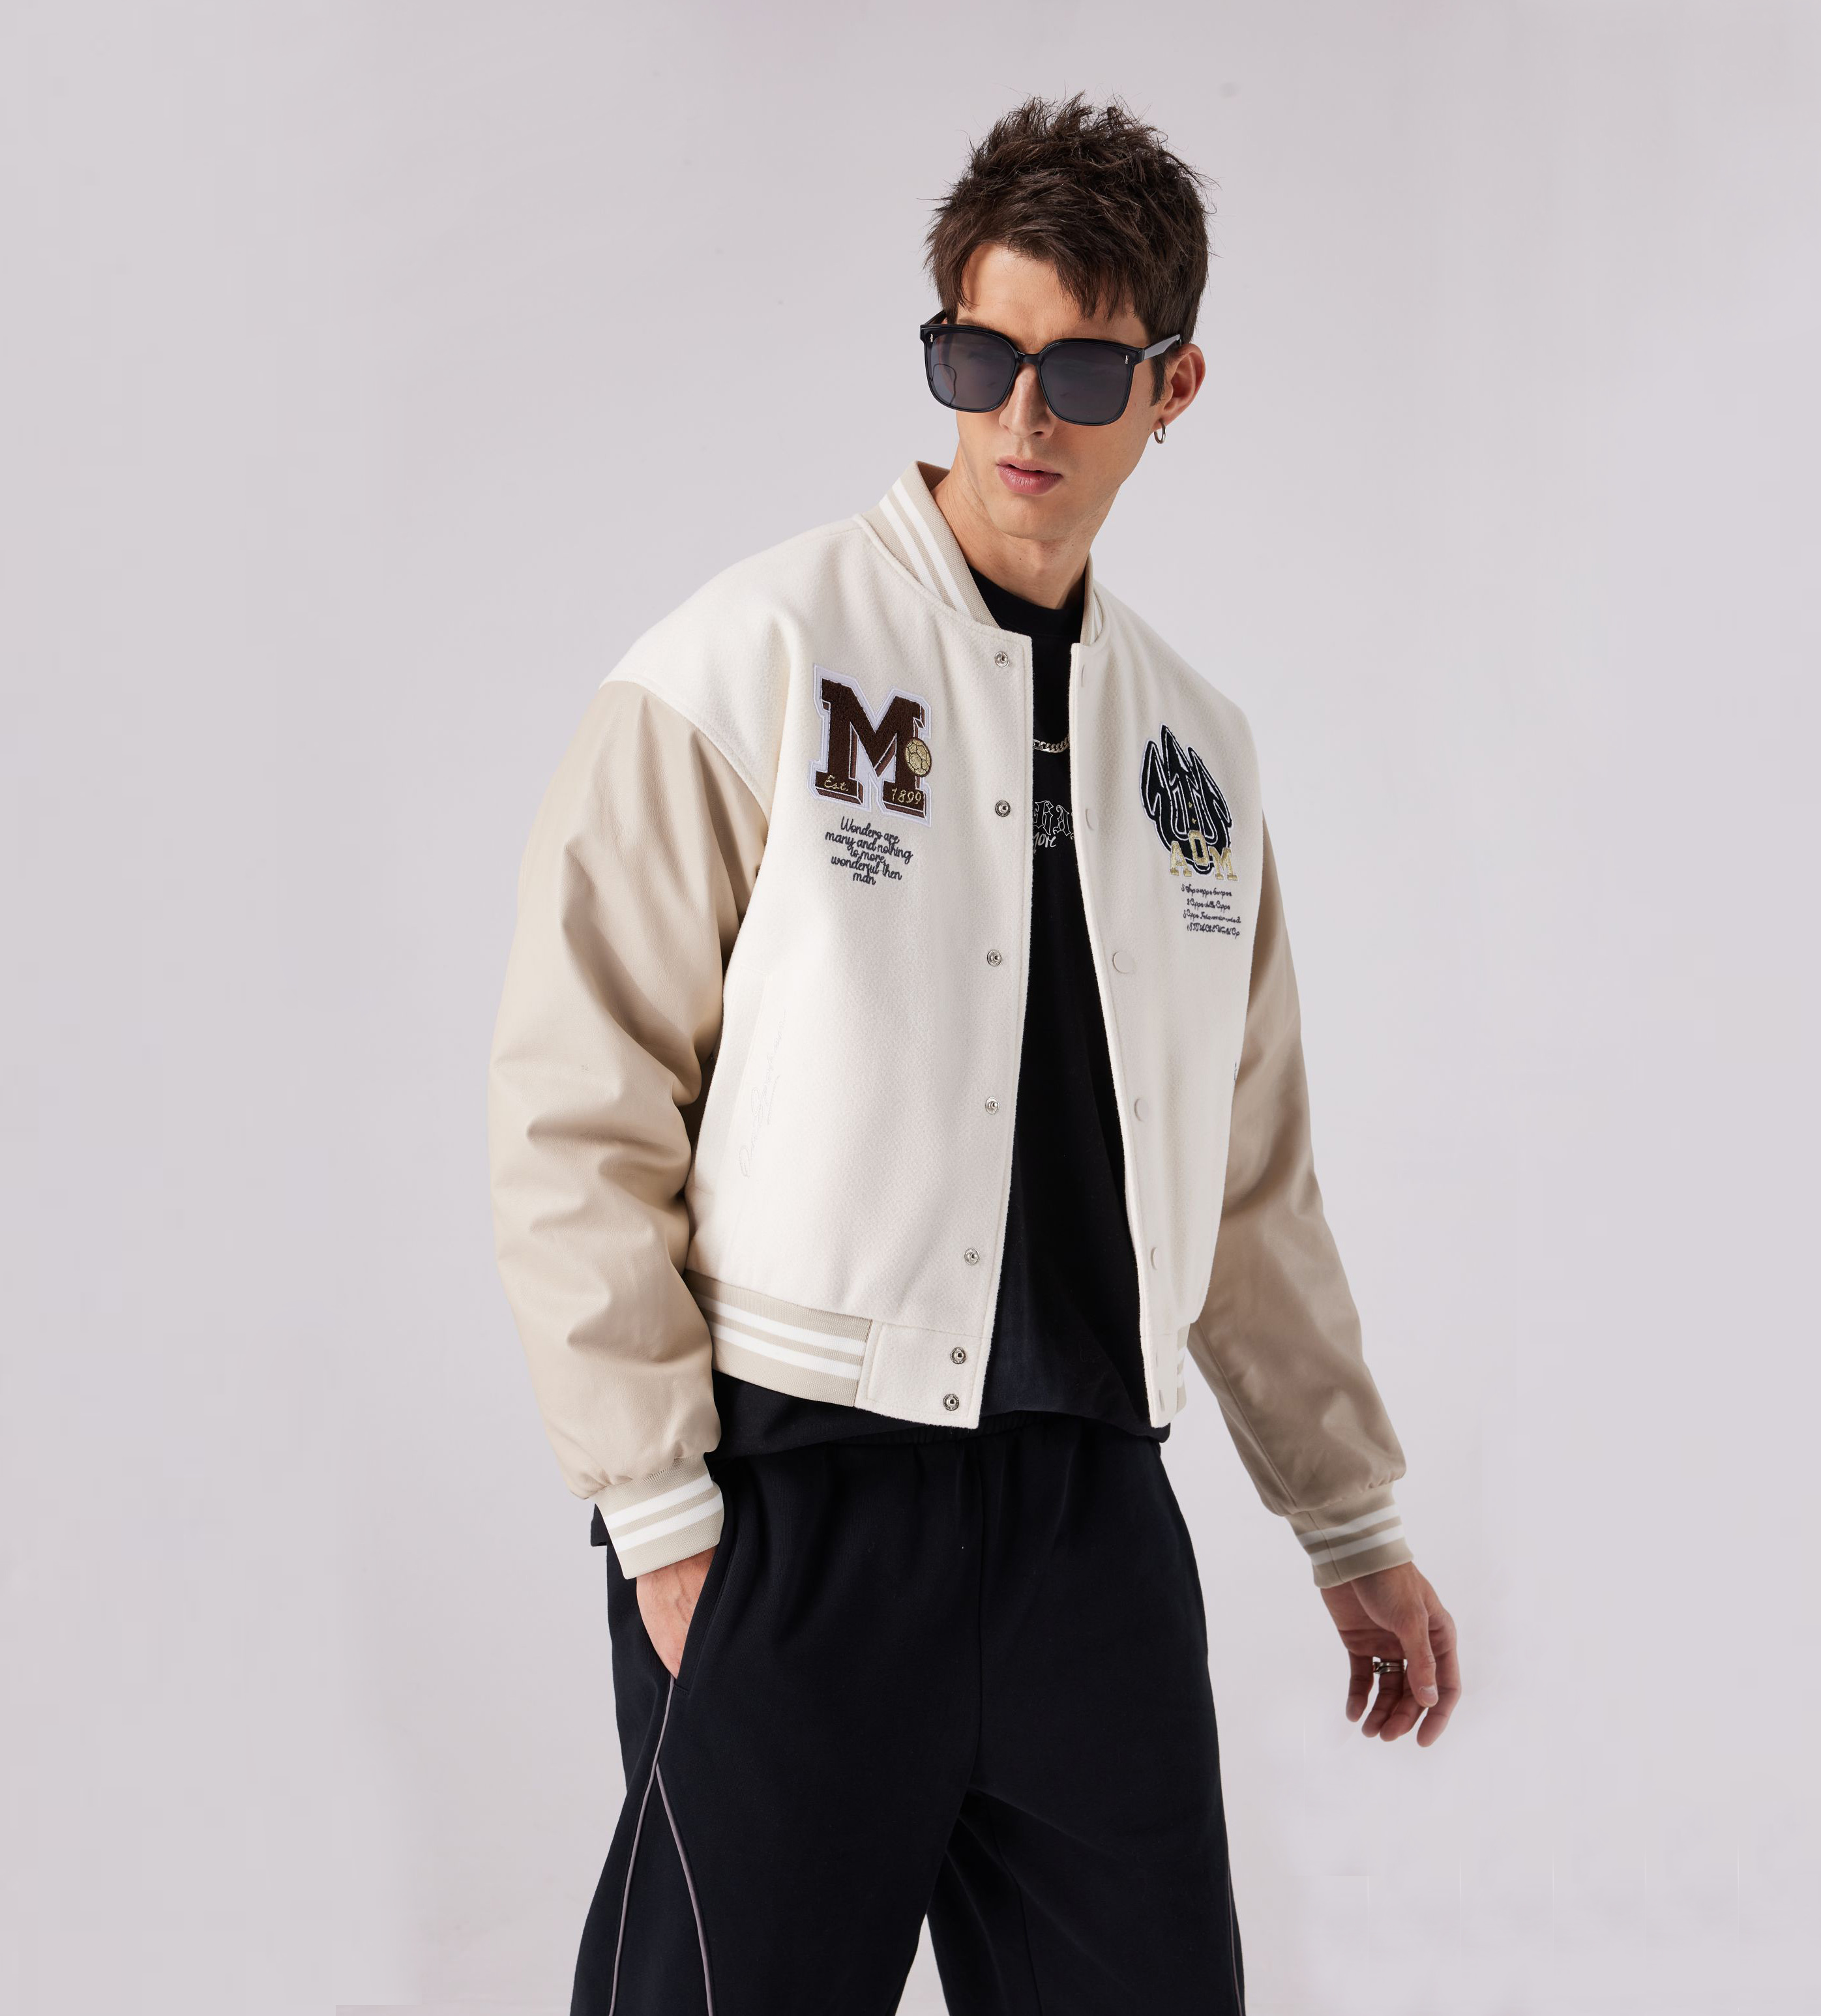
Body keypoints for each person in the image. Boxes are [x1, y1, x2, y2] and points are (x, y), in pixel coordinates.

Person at [488, 92, 1460, 2016]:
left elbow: (1246, 1180)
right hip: (798, 1495)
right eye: (978, 356)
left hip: (1094, 1520)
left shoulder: (1196, 758)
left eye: (1083, 371)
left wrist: (1346, 1513)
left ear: (1172, 387)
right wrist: (660, 1507)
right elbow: (576, 1107)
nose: (1023, 416)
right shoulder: (746, 663)